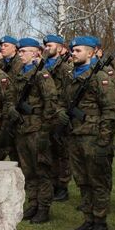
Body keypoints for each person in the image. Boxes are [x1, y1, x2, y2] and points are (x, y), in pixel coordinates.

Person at [60, 36, 115, 230]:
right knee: (82, 181)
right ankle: (88, 219)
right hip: (75, 136)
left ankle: (100, 223)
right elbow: (63, 100)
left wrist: (104, 141)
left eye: (78, 51)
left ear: (91, 52)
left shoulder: (99, 77)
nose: (73, 54)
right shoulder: (71, 75)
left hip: (94, 137)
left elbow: (111, 110)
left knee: (98, 181)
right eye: (72, 50)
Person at [7, 37, 59, 224]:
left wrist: (45, 130)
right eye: (19, 51)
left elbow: (51, 103)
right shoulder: (19, 71)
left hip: (37, 128)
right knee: (27, 170)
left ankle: (44, 207)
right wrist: (12, 108)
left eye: (23, 51)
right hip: (22, 127)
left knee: (41, 169)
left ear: (36, 53)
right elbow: (11, 95)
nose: (20, 54)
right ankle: (33, 202)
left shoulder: (42, 74)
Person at [44, 34, 73, 203]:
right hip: (47, 115)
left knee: (62, 152)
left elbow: (68, 91)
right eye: (46, 46)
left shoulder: (64, 67)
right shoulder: (44, 65)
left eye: (50, 45)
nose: (47, 48)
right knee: (50, 152)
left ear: (61, 48)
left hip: (59, 113)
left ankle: (63, 186)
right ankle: (53, 183)